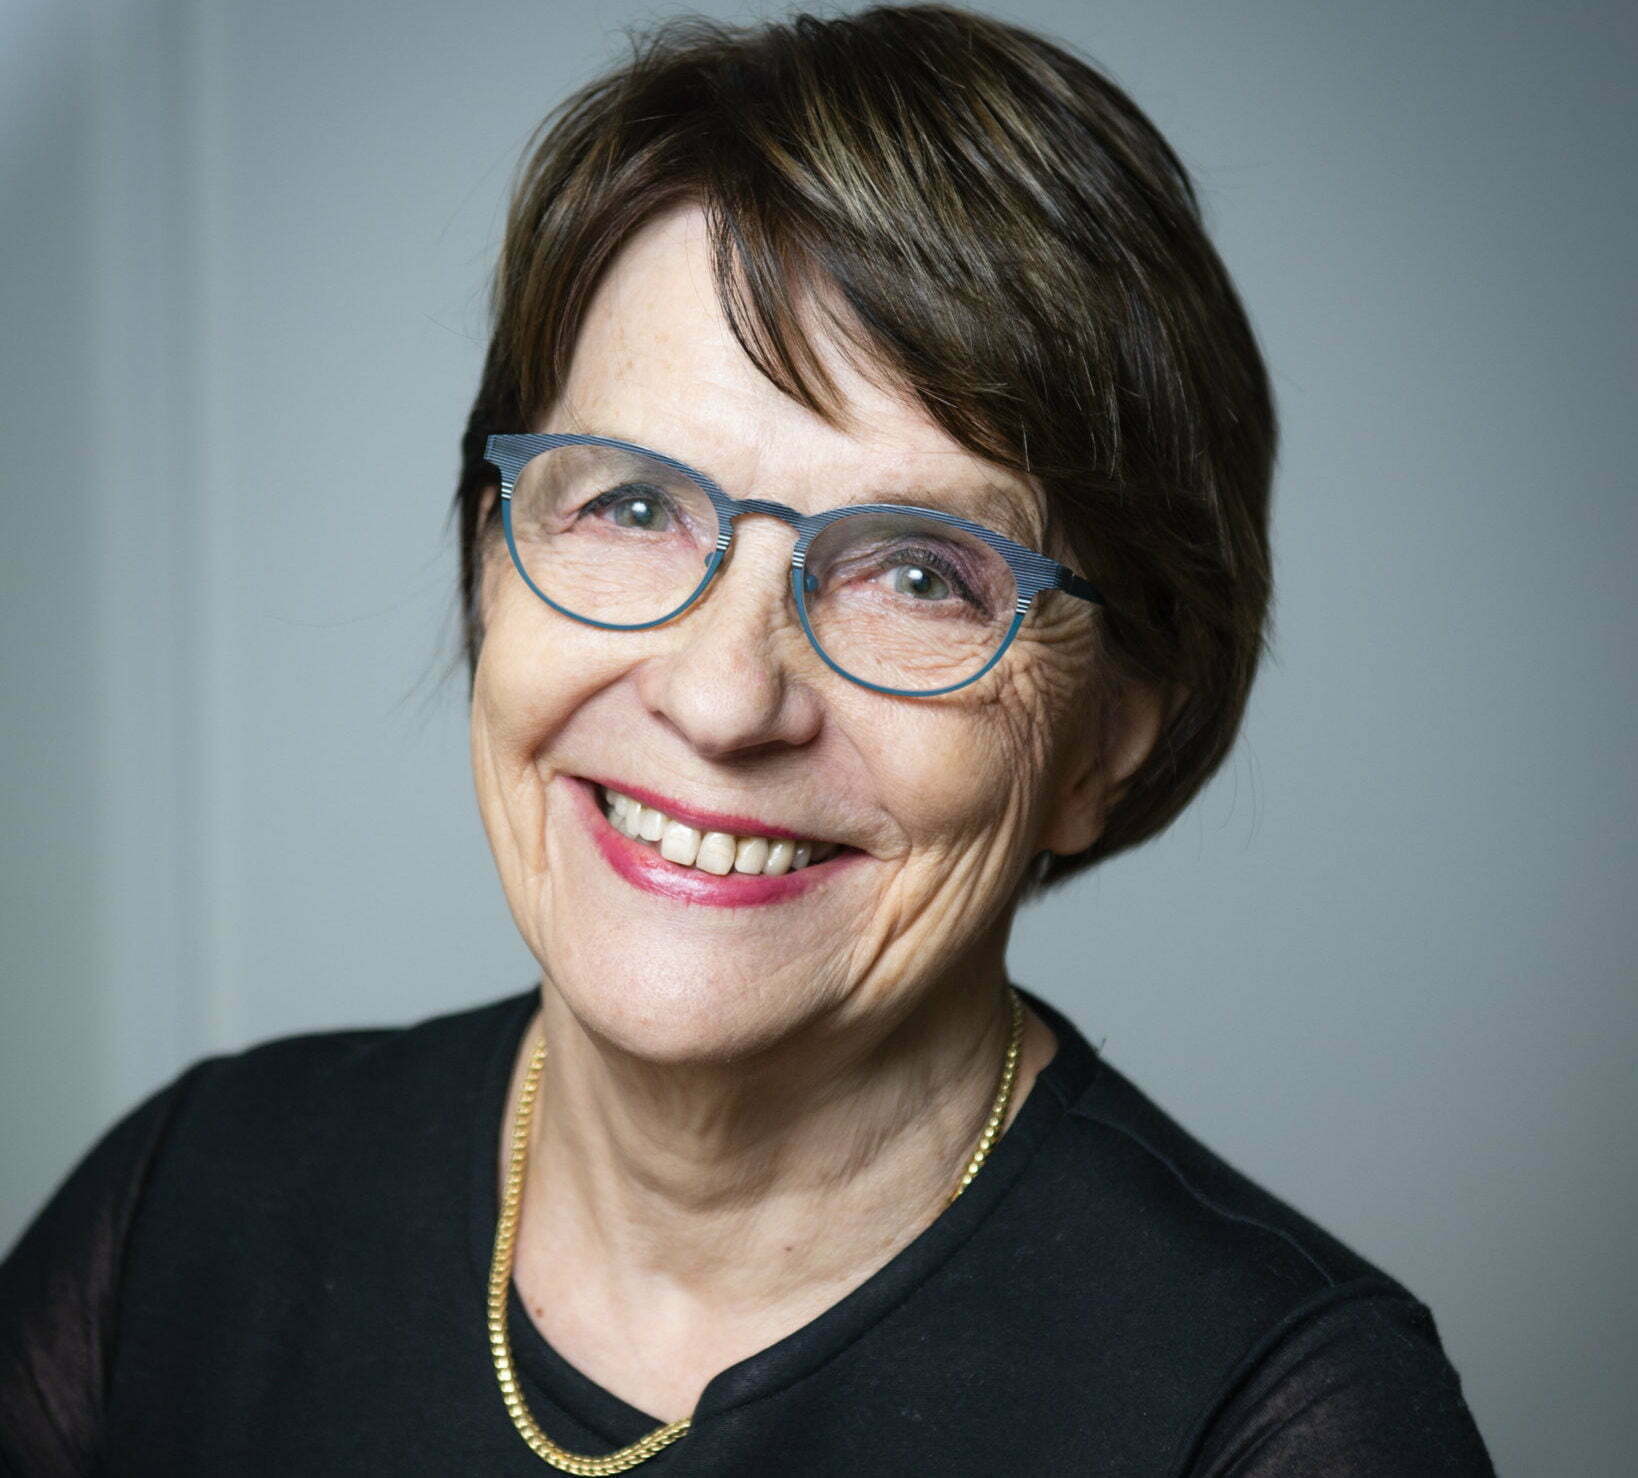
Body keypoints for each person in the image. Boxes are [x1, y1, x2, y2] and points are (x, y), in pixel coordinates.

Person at [1, 5, 1496, 1472]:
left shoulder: (1280, 1419)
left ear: (1106, 743)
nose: (722, 702)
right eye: (632, 504)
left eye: (921, 574)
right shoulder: (187, 1205)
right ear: (485, 561)